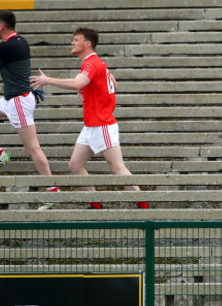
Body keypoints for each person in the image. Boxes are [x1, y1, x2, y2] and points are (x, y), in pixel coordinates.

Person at [30, 27, 147, 209]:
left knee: (117, 167)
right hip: (91, 125)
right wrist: (88, 87)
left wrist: (48, 80)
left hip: (103, 124)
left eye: (76, 39)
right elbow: (113, 84)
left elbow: (79, 82)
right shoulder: (97, 62)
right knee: (75, 165)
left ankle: (144, 207)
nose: (72, 42)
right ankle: (96, 206)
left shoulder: (91, 63)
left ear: (87, 44)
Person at [0, 10, 57, 210]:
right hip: (13, 99)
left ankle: (52, 194)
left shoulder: (8, 46)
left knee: (33, 149)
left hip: (19, 102)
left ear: (2, 26)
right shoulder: (20, 41)